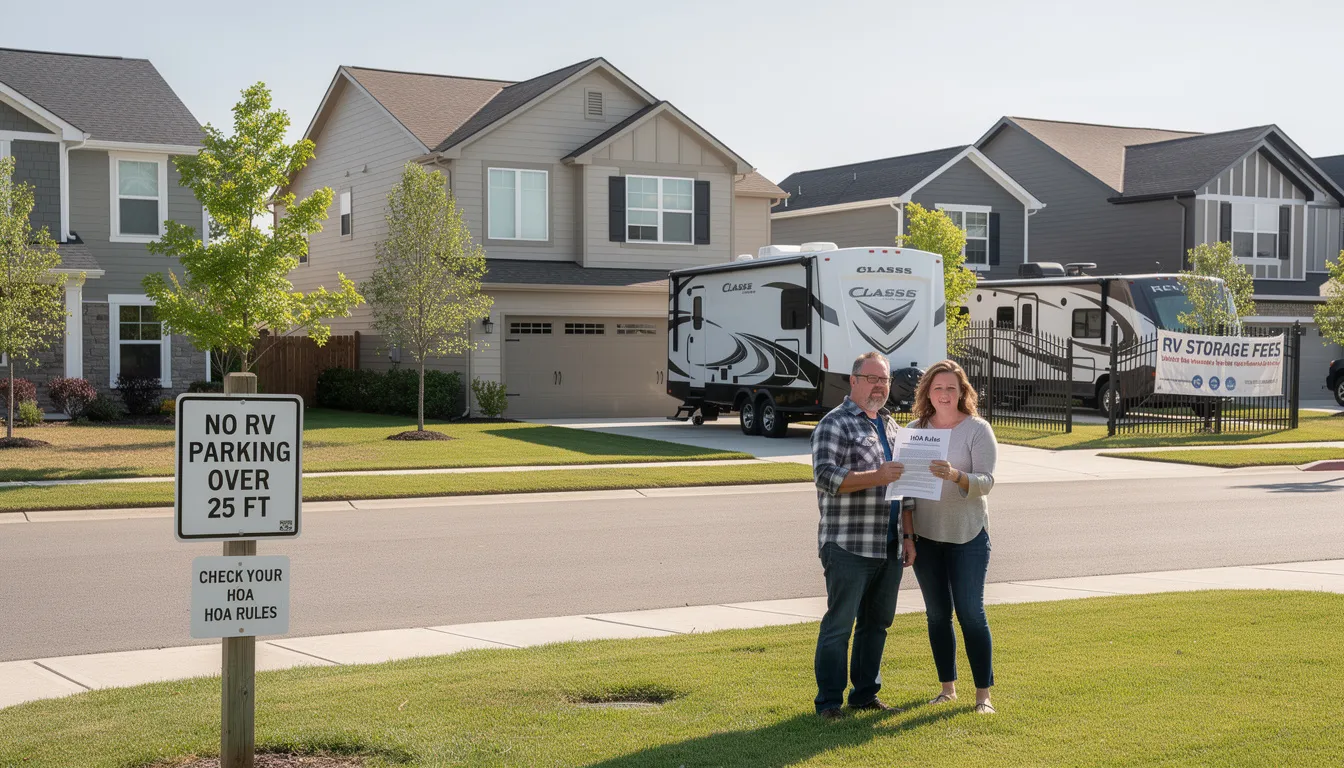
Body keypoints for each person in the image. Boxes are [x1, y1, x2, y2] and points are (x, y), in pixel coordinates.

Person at [810, 351, 917, 720]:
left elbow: (905, 488)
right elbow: (826, 477)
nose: (879, 386)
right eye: (872, 379)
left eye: (884, 380)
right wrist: (877, 476)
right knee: (839, 625)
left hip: (888, 545)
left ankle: (865, 694)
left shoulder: (891, 427)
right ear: (853, 380)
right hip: (848, 544)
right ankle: (828, 703)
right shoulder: (834, 424)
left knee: (877, 624)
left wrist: (908, 536)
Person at [900, 359, 999, 714]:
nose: (944, 394)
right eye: (938, 388)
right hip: (925, 538)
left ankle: (983, 696)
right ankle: (947, 689)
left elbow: (986, 482)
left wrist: (957, 476)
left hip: (968, 535)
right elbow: (906, 492)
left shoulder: (977, 429)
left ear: (962, 393)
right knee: (937, 615)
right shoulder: (914, 430)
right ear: (927, 391)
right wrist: (908, 536)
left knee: (971, 614)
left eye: (951, 388)